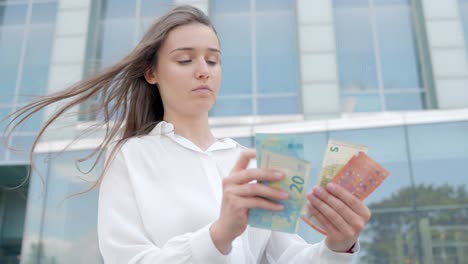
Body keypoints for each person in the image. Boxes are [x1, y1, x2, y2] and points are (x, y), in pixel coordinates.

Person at [4, 5, 371, 264]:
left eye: (213, 60)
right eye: (185, 60)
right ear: (151, 72)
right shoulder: (131, 157)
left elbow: (287, 257)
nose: (203, 71)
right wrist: (218, 234)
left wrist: (337, 246)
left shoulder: (254, 163)